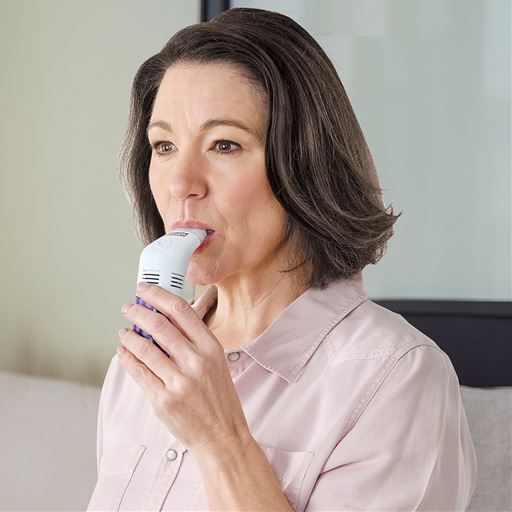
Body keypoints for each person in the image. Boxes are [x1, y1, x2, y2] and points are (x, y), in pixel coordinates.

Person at [87, 7, 477, 511]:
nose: (181, 183)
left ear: (304, 164)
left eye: (224, 144)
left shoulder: (397, 378)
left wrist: (220, 440)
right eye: (163, 146)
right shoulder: (139, 369)